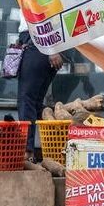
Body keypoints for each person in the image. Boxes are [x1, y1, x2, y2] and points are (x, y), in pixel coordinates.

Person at [16, 21, 63, 158]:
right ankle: (41, 148)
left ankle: (27, 150)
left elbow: (42, 15)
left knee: (26, 99)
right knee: (35, 102)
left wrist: (51, 49)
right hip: (40, 42)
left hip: (39, 42)